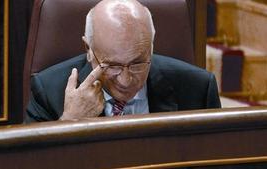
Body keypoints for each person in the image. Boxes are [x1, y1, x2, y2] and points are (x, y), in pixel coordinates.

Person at [26, 0, 221, 122]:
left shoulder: (198, 89)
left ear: (151, 49)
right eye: (112, 66)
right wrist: (70, 122)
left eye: (137, 64)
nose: (125, 81)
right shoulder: (48, 91)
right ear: (88, 50)